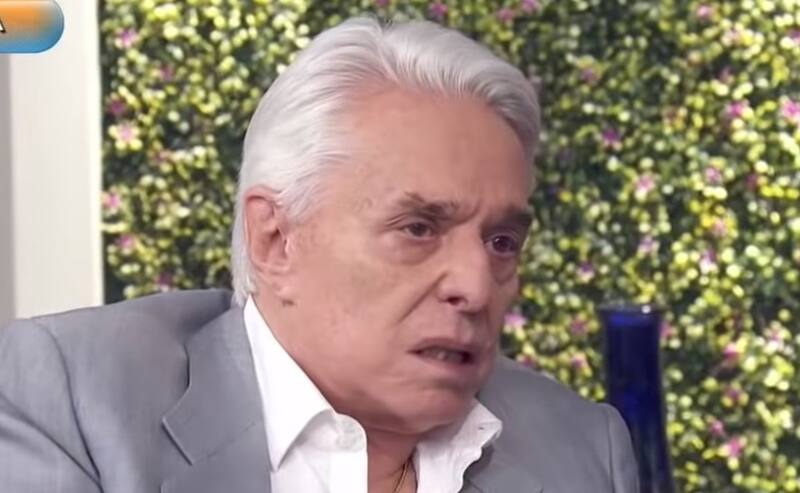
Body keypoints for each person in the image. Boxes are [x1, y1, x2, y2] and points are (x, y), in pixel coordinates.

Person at [0, 16, 638, 493]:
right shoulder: (69, 400)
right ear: (275, 240)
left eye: (501, 242)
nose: (474, 286)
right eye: (418, 228)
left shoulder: (584, 448)